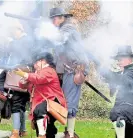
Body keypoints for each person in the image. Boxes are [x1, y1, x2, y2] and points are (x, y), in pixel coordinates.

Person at [49, 7, 89, 138]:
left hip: (73, 70)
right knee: (62, 101)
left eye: (55, 18)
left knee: (70, 103)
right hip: (67, 71)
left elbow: (60, 38)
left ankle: (70, 134)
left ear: (62, 18)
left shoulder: (68, 28)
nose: (53, 21)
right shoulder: (62, 29)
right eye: (52, 19)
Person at [14, 52, 67, 138]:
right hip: (41, 106)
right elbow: (23, 85)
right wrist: (24, 78)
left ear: (44, 61)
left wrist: (25, 74)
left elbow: (39, 79)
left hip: (52, 102)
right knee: (47, 130)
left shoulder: (49, 70)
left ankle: (42, 136)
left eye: (36, 62)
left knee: (40, 112)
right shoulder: (35, 73)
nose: (35, 65)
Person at [98, 45, 133, 138]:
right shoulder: (127, 72)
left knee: (117, 112)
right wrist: (100, 67)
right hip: (130, 111)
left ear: (130, 59)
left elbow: (122, 79)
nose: (118, 62)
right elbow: (113, 76)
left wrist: (114, 79)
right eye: (118, 60)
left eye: (121, 59)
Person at [4, 21, 34, 138]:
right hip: (25, 75)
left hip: (20, 75)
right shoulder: (27, 41)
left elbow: (18, 57)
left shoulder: (22, 41)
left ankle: (16, 132)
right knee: (21, 104)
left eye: (13, 30)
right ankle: (23, 130)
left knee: (16, 103)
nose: (12, 33)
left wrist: (10, 44)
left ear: (19, 30)